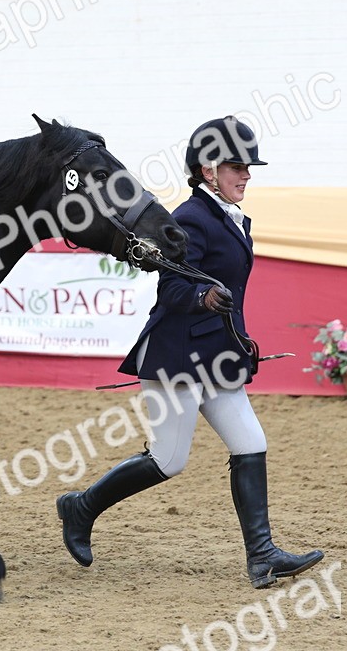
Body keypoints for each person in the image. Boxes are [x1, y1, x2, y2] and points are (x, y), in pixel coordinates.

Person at [56, 116, 323, 589]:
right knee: (168, 459)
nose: (247, 175)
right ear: (207, 170)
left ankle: (262, 556)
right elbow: (172, 287)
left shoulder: (231, 217)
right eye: (237, 166)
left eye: (248, 167)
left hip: (217, 357)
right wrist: (202, 299)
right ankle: (80, 507)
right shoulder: (188, 219)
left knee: (251, 443)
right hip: (176, 356)